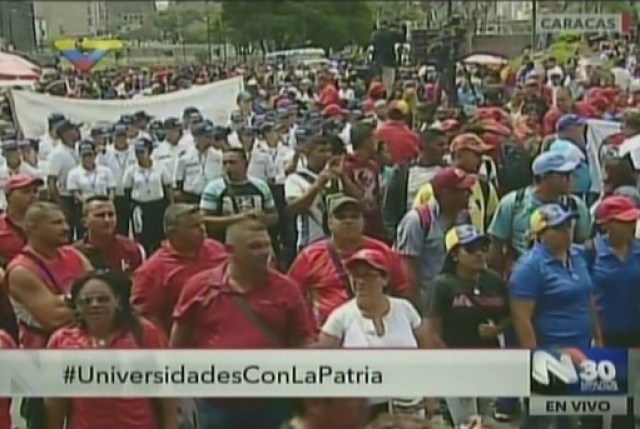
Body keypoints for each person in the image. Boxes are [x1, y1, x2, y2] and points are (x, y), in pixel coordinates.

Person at [170, 219, 314, 429]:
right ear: (230, 250)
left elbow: (303, 340)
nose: (264, 252)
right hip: (215, 404)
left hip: (274, 401)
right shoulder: (199, 287)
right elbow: (177, 345)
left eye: (267, 244)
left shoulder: (287, 289)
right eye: (255, 246)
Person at [45, 270, 177, 429]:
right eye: (86, 301)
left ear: (117, 301)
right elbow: (55, 402)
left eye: (103, 299)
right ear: (77, 306)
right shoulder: (61, 341)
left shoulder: (143, 333)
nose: (95, 305)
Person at [510, 203, 602, 429]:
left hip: (580, 348)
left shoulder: (578, 255)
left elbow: (588, 298)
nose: (567, 230)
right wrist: (533, 360)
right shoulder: (530, 268)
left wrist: (598, 338)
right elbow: (522, 319)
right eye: (558, 227)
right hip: (550, 351)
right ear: (541, 235)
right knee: (542, 416)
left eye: (568, 224)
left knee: (569, 416)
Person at [316, 248, 429, 420]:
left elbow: (429, 353)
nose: (360, 282)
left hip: (409, 408)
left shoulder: (405, 309)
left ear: (384, 279)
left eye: (368, 276)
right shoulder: (340, 318)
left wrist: (432, 402)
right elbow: (321, 367)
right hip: (364, 412)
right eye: (355, 276)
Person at [425, 225, 509, 428]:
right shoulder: (442, 284)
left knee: (486, 421)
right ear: (454, 255)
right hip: (457, 361)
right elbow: (431, 332)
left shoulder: (494, 280)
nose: (479, 254)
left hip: (489, 362)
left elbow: (509, 316)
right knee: (466, 423)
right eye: (471, 249)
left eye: (483, 248)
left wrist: (497, 329)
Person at [288, 196, 411, 327]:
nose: (348, 221)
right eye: (341, 217)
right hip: (328, 335)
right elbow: (291, 295)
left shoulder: (382, 251)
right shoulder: (310, 256)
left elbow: (402, 290)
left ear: (363, 221)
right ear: (329, 222)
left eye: (354, 216)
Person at [487, 152, 591, 274]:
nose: (570, 179)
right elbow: (496, 247)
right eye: (563, 175)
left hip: (563, 276)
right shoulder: (513, 203)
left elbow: (584, 244)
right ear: (543, 177)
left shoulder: (575, 206)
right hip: (524, 274)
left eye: (570, 174)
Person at [131, 204, 226, 336]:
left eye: (202, 224)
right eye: (194, 226)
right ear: (173, 232)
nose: (203, 230)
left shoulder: (217, 249)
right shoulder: (152, 270)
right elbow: (144, 317)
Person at [6, 202, 91, 348]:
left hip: (82, 347)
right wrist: (93, 304)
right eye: (57, 223)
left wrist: (66, 301)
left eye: (65, 222)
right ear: (33, 229)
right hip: (41, 355)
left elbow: (106, 289)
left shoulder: (74, 254)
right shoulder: (21, 270)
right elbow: (54, 319)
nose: (66, 228)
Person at [395, 167, 474, 313]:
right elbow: (407, 269)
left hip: (456, 301)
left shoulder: (464, 218)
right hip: (427, 300)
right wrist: (420, 309)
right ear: (445, 193)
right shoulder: (417, 220)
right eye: (462, 190)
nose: (469, 194)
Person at [413, 134, 499, 233]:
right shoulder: (434, 186)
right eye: (477, 155)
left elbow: (491, 221)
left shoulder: (485, 187)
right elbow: (418, 222)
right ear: (459, 155)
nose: (480, 160)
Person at [200, 148, 278, 242]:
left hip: (256, 240)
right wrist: (240, 218)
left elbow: (274, 215)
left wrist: (261, 219)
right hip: (224, 242)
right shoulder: (214, 188)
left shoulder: (260, 186)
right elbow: (205, 220)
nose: (228, 166)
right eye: (225, 163)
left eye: (232, 162)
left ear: (245, 163)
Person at [382, 128, 447, 238]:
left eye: (445, 145)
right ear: (422, 146)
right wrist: (395, 236)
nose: (445, 149)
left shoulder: (448, 174)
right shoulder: (402, 174)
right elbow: (389, 210)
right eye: (440, 145)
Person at [285, 135, 344, 251]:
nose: (327, 155)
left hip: (336, 240)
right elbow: (294, 208)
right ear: (308, 153)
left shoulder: (334, 176)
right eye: (321, 151)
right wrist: (317, 186)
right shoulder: (295, 178)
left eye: (329, 151)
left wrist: (343, 176)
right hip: (310, 241)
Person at [123, 138, 172, 254]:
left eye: (142, 152)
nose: (139, 155)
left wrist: (170, 205)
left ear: (149, 152)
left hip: (157, 205)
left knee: (158, 236)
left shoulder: (160, 167)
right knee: (141, 236)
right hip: (140, 206)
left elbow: (168, 187)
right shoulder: (131, 170)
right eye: (137, 152)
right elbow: (127, 190)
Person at [74, 196, 145, 274]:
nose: (107, 220)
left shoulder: (131, 250)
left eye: (111, 215)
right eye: (100, 215)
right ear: (84, 222)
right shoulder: (74, 254)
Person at [46, 119, 82, 240]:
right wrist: (59, 203)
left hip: (80, 196)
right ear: (66, 133)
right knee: (68, 231)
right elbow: (51, 181)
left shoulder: (77, 150)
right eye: (74, 130)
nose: (77, 132)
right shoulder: (57, 154)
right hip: (66, 197)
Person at [98, 123, 136, 236]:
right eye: (118, 136)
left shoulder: (134, 150)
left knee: (137, 227)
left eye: (123, 136)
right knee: (119, 229)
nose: (121, 139)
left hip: (133, 193)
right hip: (115, 195)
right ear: (113, 136)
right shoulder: (106, 153)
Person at [174, 121, 223, 204]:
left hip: (214, 195)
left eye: (211, 136)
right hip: (191, 196)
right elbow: (179, 181)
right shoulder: (185, 156)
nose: (211, 139)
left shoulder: (218, 154)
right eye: (207, 137)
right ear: (196, 137)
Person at [0, 174, 42, 266]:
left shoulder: (47, 221)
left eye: (35, 191)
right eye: (25, 191)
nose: (32, 196)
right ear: (9, 196)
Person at [0, 140, 42, 211]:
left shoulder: (32, 172)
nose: (12, 155)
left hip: (28, 207)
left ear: (19, 153)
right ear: (4, 154)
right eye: (9, 153)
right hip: (3, 207)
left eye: (14, 152)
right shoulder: (1, 172)